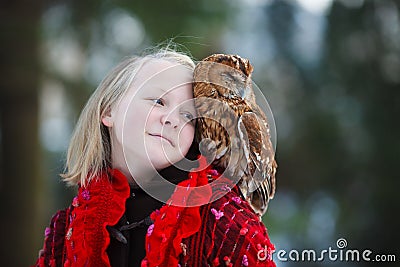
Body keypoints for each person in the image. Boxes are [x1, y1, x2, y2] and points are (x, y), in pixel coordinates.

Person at [32, 46, 276, 267]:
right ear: (109, 110)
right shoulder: (65, 232)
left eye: (188, 116)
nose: (172, 120)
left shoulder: (225, 222)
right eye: (159, 101)